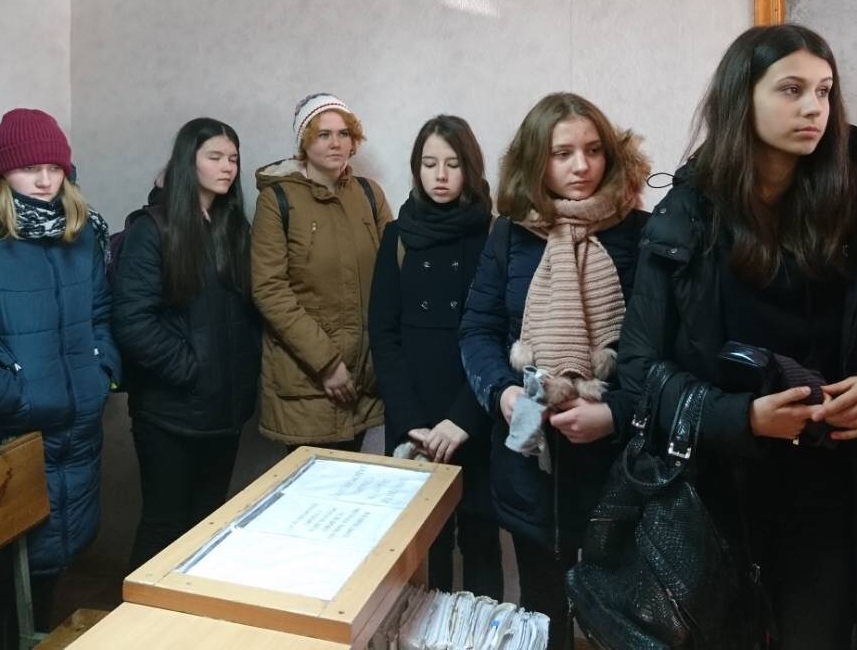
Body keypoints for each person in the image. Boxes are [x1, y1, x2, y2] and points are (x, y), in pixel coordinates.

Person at [617, 24, 857, 650]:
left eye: (824, 90)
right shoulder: (687, 215)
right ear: (743, 97)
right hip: (714, 488)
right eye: (791, 89)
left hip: (833, 487)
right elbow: (637, 368)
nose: (814, 107)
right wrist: (741, 417)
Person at [459, 93, 651, 649]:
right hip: (530, 465)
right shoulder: (510, 233)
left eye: (593, 150)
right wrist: (502, 395)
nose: (581, 166)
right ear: (536, 161)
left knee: (621, 620)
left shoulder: (642, 232)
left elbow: (660, 349)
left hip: (619, 467)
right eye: (562, 153)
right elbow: (477, 330)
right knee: (542, 613)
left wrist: (613, 413)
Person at [0, 108, 118, 645]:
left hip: (75, 442)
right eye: (30, 168)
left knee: (44, 595)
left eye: (54, 168)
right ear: (0, 172)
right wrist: (14, 394)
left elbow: (100, 315)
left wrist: (100, 373)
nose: (44, 180)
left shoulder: (80, 235)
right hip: (1, 445)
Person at [111, 118, 261, 569]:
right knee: (164, 525)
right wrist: (192, 370)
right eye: (215, 157)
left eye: (233, 158)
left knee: (208, 524)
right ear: (186, 162)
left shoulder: (232, 226)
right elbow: (133, 323)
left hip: (224, 411)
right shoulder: (152, 228)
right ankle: (139, 614)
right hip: (170, 412)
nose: (227, 167)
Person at [368, 115, 502, 598]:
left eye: (452, 164)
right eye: (429, 164)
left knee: (482, 542)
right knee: (425, 550)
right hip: (416, 420)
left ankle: (485, 631)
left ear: (471, 168)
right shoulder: (397, 236)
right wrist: (411, 423)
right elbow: (383, 334)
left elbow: (502, 334)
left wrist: (464, 417)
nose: (440, 175)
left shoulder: (495, 234)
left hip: (475, 416)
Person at [251, 94, 390, 449]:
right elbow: (269, 290)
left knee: (359, 482)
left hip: (365, 383)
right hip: (306, 385)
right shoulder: (277, 200)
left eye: (344, 134)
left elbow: (392, 276)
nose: (335, 143)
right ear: (304, 140)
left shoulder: (369, 195)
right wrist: (326, 364)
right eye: (323, 134)